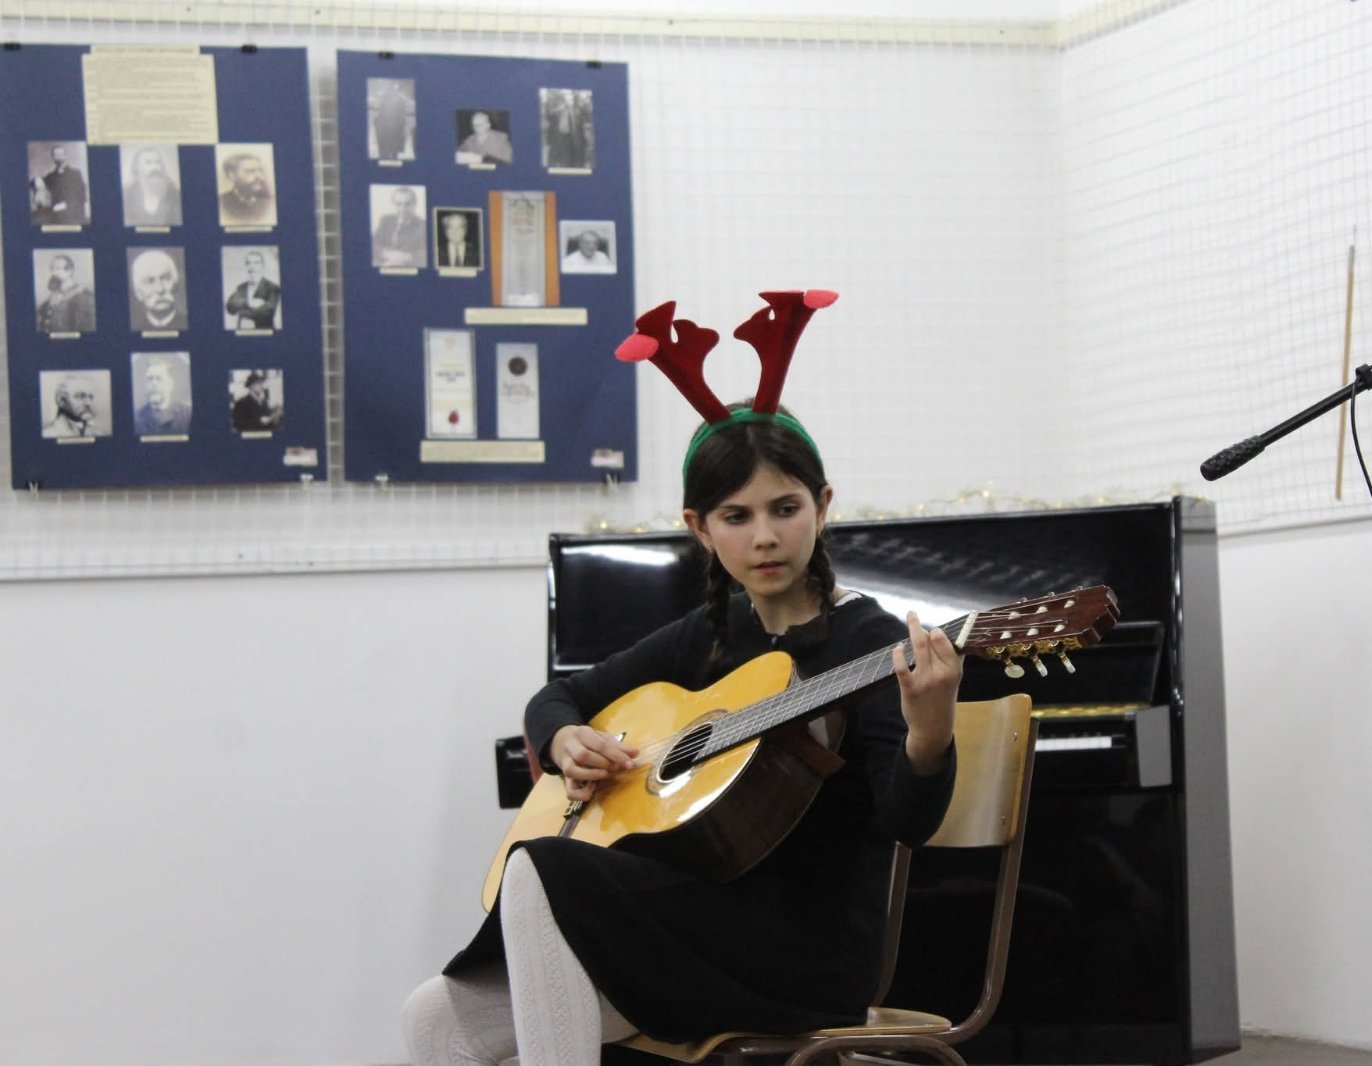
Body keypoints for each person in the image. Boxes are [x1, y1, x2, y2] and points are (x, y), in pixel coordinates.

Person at [402, 292, 961, 1066]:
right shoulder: (709, 635)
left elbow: (909, 821)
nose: (765, 536)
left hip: (808, 954)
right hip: (693, 927)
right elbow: (556, 700)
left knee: (540, 866)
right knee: (432, 1017)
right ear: (700, 527)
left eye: (785, 508)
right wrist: (564, 740)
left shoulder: (868, 641)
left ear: (823, 505)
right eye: (736, 516)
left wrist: (930, 732)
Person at [123, 146, 183, 227]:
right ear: (137, 169)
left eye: (158, 162)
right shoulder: (127, 196)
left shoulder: (176, 195)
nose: (155, 167)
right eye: (148, 163)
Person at [128, 249, 187, 331]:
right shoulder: (136, 328)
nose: (160, 289)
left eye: (165, 278)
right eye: (150, 281)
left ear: (176, 284)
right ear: (138, 293)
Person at [36, 254, 96, 333]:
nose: (54, 272)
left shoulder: (84, 295)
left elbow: (85, 329)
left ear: (70, 271)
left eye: (57, 268)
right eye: (52, 269)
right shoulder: (52, 296)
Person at [373, 185, 428, 268]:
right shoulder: (385, 220)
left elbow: (426, 253)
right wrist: (386, 253)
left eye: (407, 204)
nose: (403, 209)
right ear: (394, 204)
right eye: (398, 204)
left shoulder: (423, 226)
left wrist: (406, 257)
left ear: (415, 204)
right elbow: (372, 244)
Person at [225, 250, 282, 330]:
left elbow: (267, 313)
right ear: (246, 266)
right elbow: (230, 307)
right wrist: (248, 302)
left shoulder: (273, 288)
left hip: (264, 332)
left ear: (262, 266)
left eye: (256, 263)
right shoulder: (241, 287)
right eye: (249, 263)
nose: (252, 267)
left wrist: (241, 309)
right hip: (242, 332)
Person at [134, 357, 191, 436]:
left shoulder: (187, 415)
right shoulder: (136, 418)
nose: (154, 384)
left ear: (170, 384)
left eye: (159, 379)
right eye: (149, 379)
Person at [33, 143, 89, 224]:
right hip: (56, 214)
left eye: (60, 154)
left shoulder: (76, 173)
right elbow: (36, 182)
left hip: (74, 215)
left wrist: (66, 205)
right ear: (53, 157)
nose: (58, 157)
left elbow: (82, 197)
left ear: (65, 156)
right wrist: (37, 181)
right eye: (55, 155)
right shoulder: (52, 176)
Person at [218, 150, 275, 226]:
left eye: (261, 171)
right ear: (232, 176)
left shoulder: (270, 201)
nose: (260, 177)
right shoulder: (221, 203)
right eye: (250, 171)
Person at [42, 374, 104, 438]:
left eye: (91, 397)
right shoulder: (48, 434)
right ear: (62, 401)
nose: (88, 403)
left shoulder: (98, 434)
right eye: (81, 396)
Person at [372, 80, 412, 161]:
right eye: (392, 89)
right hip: (386, 125)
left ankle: (393, 155)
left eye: (395, 89)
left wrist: (402, 122)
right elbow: (381, 111)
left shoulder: (400, 100)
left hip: (396, 125)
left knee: (394, 143)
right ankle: (386, 155)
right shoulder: (385, 99)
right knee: (386, 143)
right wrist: (378, 119)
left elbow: (402, 112)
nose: (393, 91)